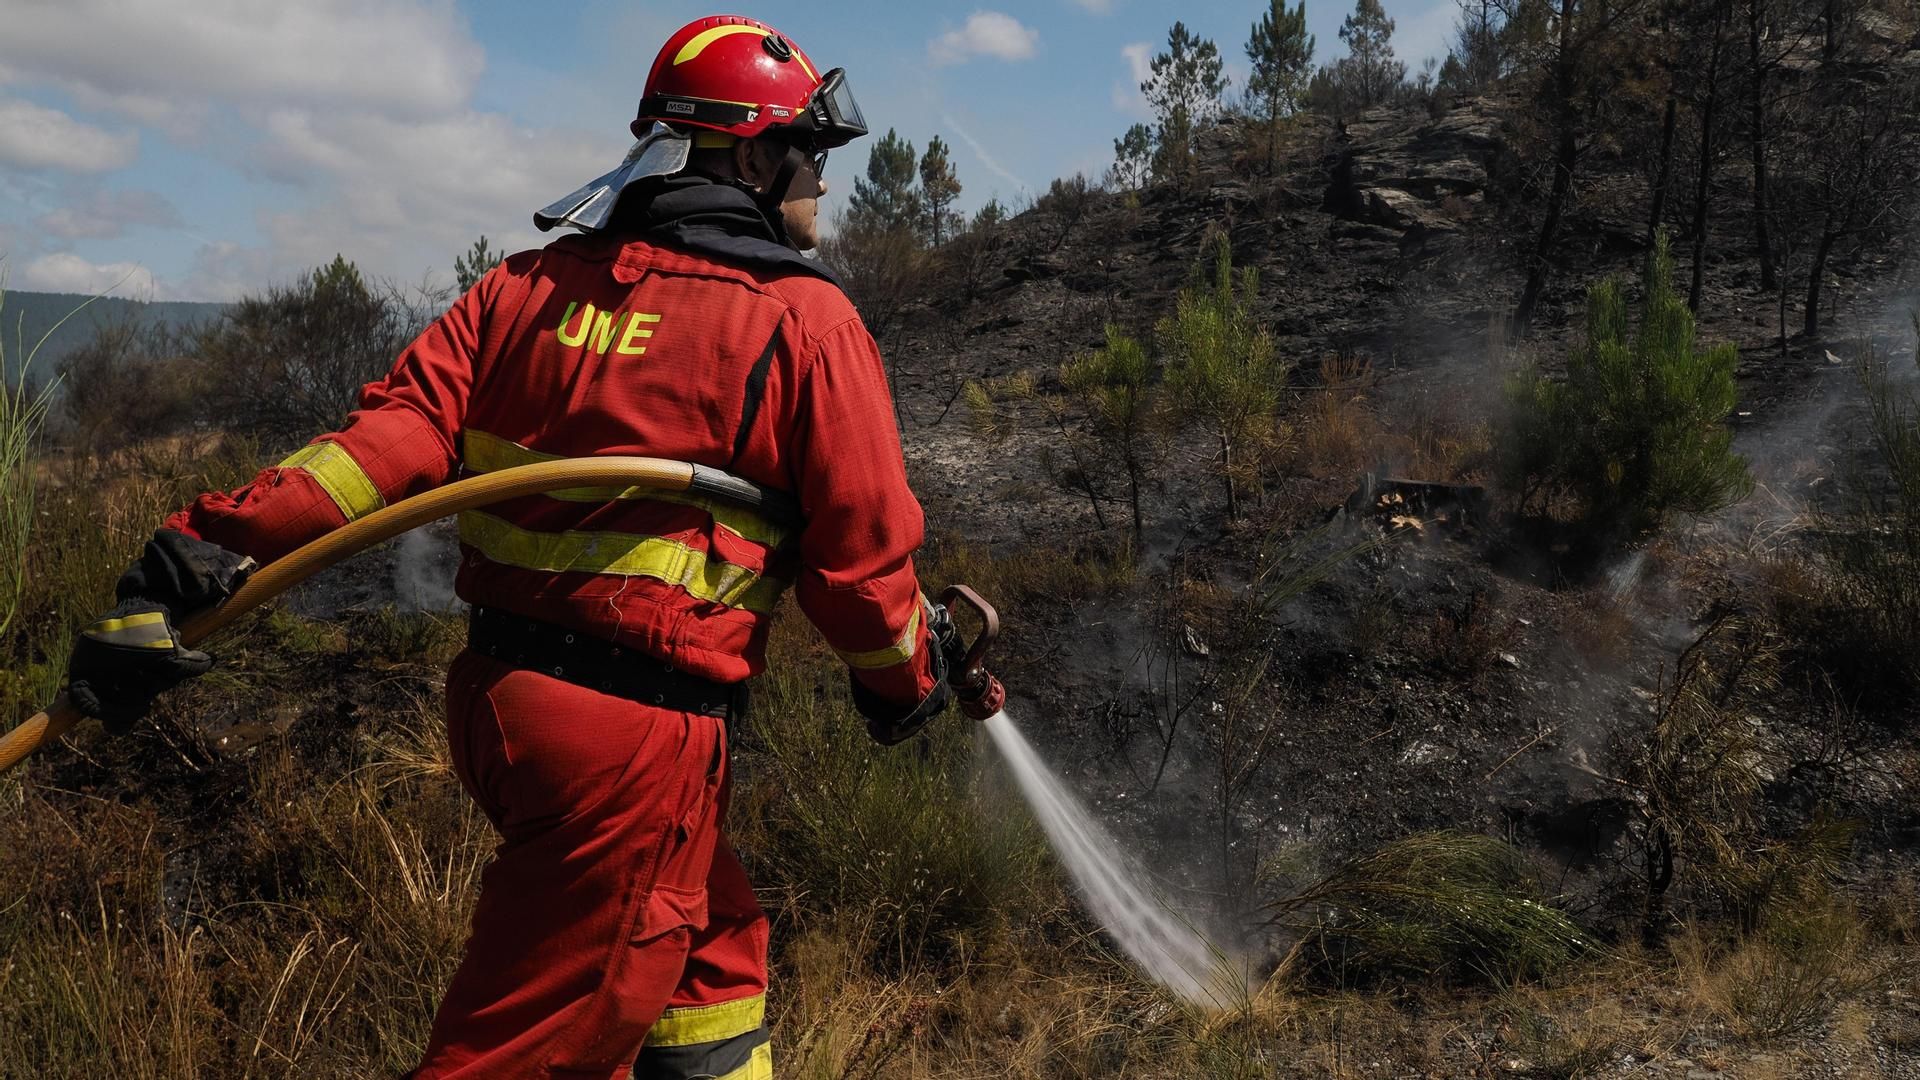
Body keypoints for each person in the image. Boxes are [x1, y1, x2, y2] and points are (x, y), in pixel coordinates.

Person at [64, 15, 959, 1079]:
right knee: (519, 1055)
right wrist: (905, 683)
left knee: (708, 966)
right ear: (751, 154)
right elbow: (863, 569)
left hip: (500, 710)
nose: (822, 179)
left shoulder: (522, 290)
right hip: (636, 743)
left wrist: (194, 554)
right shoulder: (803, 323)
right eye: (810, 152)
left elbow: (374, 451)